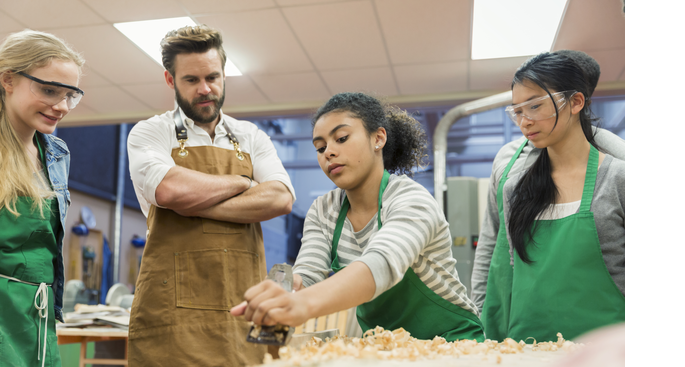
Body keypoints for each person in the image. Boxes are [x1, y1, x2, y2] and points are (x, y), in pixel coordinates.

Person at [230, 92, 485, 342]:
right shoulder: (324, 209)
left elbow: (380, 264)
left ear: (378, 138)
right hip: (389, 345)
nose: (328, 152)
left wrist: (303, 305)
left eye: (341, 138)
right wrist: (287, 289)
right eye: (320, 147)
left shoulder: (410, 199)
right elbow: (308, 273)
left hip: (453, 343)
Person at [126, 25, 296, 367]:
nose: (205, 88)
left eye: (213, 77)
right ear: (170, 79)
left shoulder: (251, 136)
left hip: (241, 309)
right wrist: (243, 182)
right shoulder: (150, 133)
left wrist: (195, 202)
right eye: (191, 79)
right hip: (174, 323)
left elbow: (281, 199)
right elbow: (170, 190)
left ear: (223, 74)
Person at [472, 50, 625, 342]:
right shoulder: (515, 186)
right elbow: (500, 258)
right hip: (525, 351)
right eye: (517, 111)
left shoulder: (620, 179)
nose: (524, 121)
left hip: (607, 356)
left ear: (576, 102)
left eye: (535, 106)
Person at [0, 30, 85, 367]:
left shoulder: (55, 153)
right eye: (50, 90)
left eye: (71, 94)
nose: (62, 106)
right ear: (8, 79)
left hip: (37, 318)